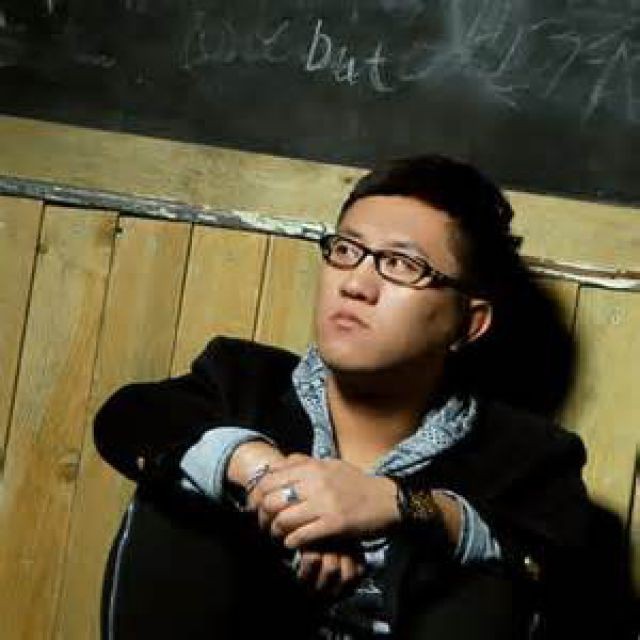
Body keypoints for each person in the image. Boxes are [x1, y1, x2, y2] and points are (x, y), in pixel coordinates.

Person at [94, 155, 591, 639]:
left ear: (469, 323)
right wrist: (270, 479)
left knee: (490, 573)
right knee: (184, 482)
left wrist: (403, 506)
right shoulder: (242, 378)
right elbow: (127, 419)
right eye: (347, 250)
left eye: (401, 264)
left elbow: (555, 563)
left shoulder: (528, 455)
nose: (355, 284)